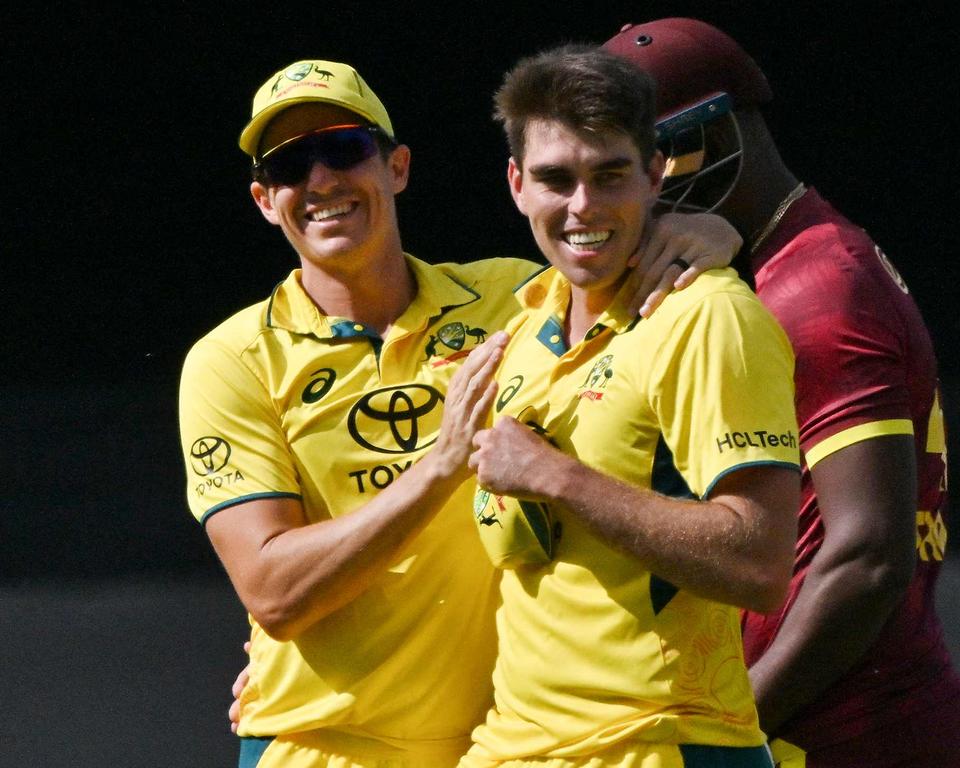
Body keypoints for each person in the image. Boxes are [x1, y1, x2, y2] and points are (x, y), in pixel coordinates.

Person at [179, 58, 739, 767]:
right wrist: (439, 468)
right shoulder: (231, 358)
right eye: (291, 165)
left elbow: (624, 249)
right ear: (265, 199)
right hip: (323, 747)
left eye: (345, 148)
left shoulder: (517, 299)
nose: (321, 180)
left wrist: (705, 235)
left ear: (398, 167)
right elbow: (275, 592)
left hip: (504, 745)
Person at [603, 18, 960, 766]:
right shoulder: (785, 263)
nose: (624, 202)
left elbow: (868, 557)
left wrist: (734, 736)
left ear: (708, 143)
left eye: (635, 169)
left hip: (857, 737)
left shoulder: (820, 287)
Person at [459, 44, 801, 767]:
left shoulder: (707, 316)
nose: (582, 205)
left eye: (608, 174)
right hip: (512, 748)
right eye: (555, 178)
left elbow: (763, 563)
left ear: (654, 175)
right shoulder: (520, 328)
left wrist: (557, 478)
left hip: (659, 744)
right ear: (517, 184)